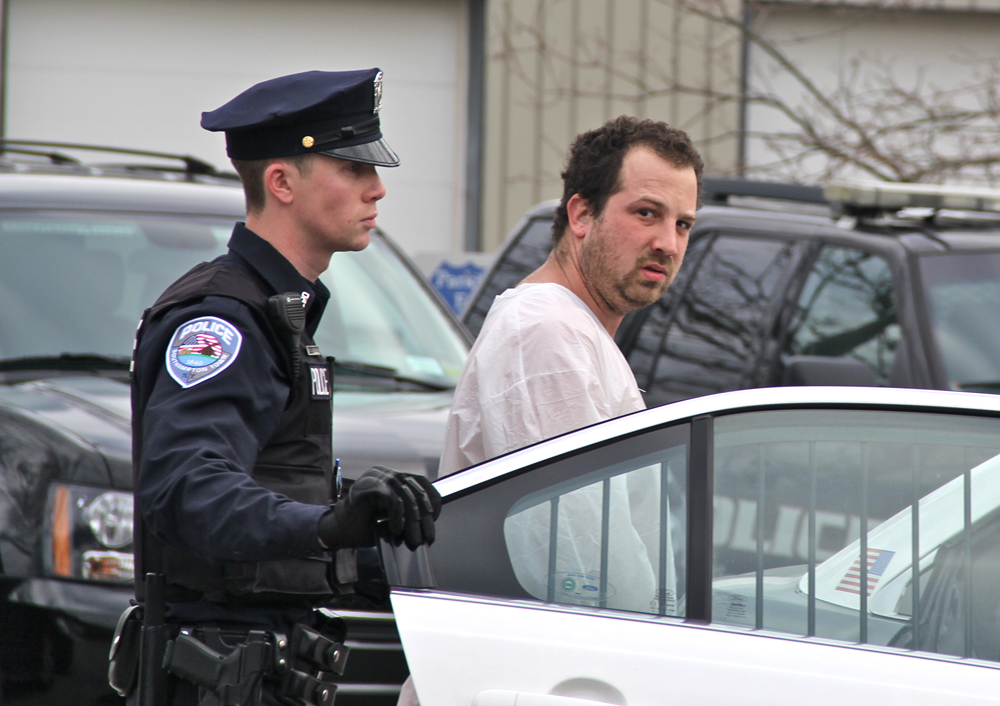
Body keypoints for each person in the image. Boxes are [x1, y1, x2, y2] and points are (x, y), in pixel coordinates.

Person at [123, 69, 441, 706]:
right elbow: (187, 488)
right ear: (281, 182)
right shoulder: (223, 320)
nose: (377, 188)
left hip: (264, 665)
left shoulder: (278, 313)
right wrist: (325, 524)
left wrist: (391, 532)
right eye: (353, 169)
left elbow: (279, 485)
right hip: (220, 671)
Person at [440, 115, 702, 475]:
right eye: (646, 213)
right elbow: (573, 526)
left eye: (682, 224)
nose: (669, 244)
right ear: (581, 215)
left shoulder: (569, 326)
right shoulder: (545, 329)